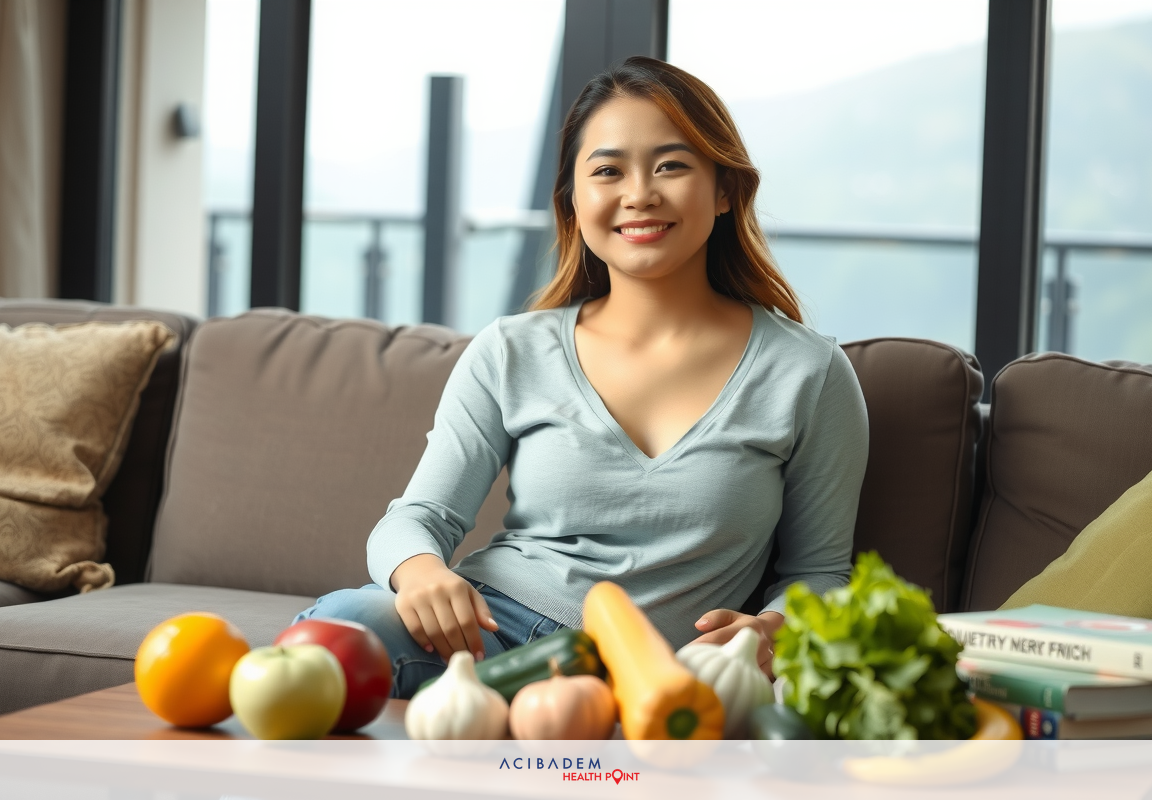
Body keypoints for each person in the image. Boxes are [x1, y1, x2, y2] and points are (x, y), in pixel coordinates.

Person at [294, 56, 869, 699]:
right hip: (491, 631)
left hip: (657, 673)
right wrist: (422, 572)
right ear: (574, 199)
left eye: (671, 165)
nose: (639, 193)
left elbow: (820, 569)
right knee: (340, 631)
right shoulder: (511, 349)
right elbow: (418, 517)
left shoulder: (808, 373)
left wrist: (773, 629)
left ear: (727, 188)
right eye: (607, 171)